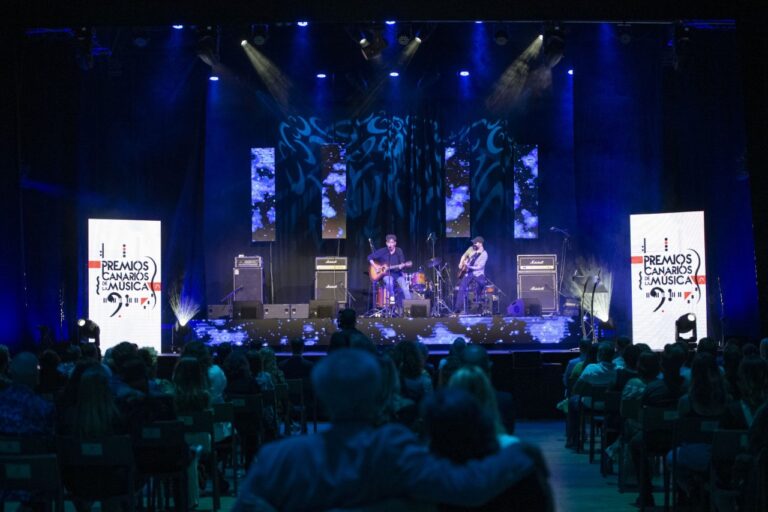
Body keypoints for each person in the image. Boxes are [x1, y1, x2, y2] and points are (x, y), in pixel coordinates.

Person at [233, 349, 538, 511]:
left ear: (322, 397)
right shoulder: (393, 449)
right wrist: (521, 453)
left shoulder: (277, 458)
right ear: (378, 393)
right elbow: (468, 488)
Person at [367, 234, 412, 306]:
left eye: (392, 242)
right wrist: (375, 267)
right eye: (388, 242)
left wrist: (402, 266)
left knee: (405, 287)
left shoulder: (399, 251)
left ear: (395, 243)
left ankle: (411, 307)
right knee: (389, 283)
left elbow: (402, 263)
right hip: (386, 274)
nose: (390, 244)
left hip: (398, 274)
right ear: (386, 243)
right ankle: (392, 304)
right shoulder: (383, 251)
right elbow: (369, 257)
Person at [454, 236, 488, 315]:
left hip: (478, 273)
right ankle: (457, 308)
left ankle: (479, 305)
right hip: (469, 272)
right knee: (462, 287)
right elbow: (464, 256)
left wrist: (469, 266)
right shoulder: (471, 249)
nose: (474, 244)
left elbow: (480, 267)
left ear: (480, 243)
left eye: (475, 242)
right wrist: (461, 263)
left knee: (482, 284)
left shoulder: (484, 254)